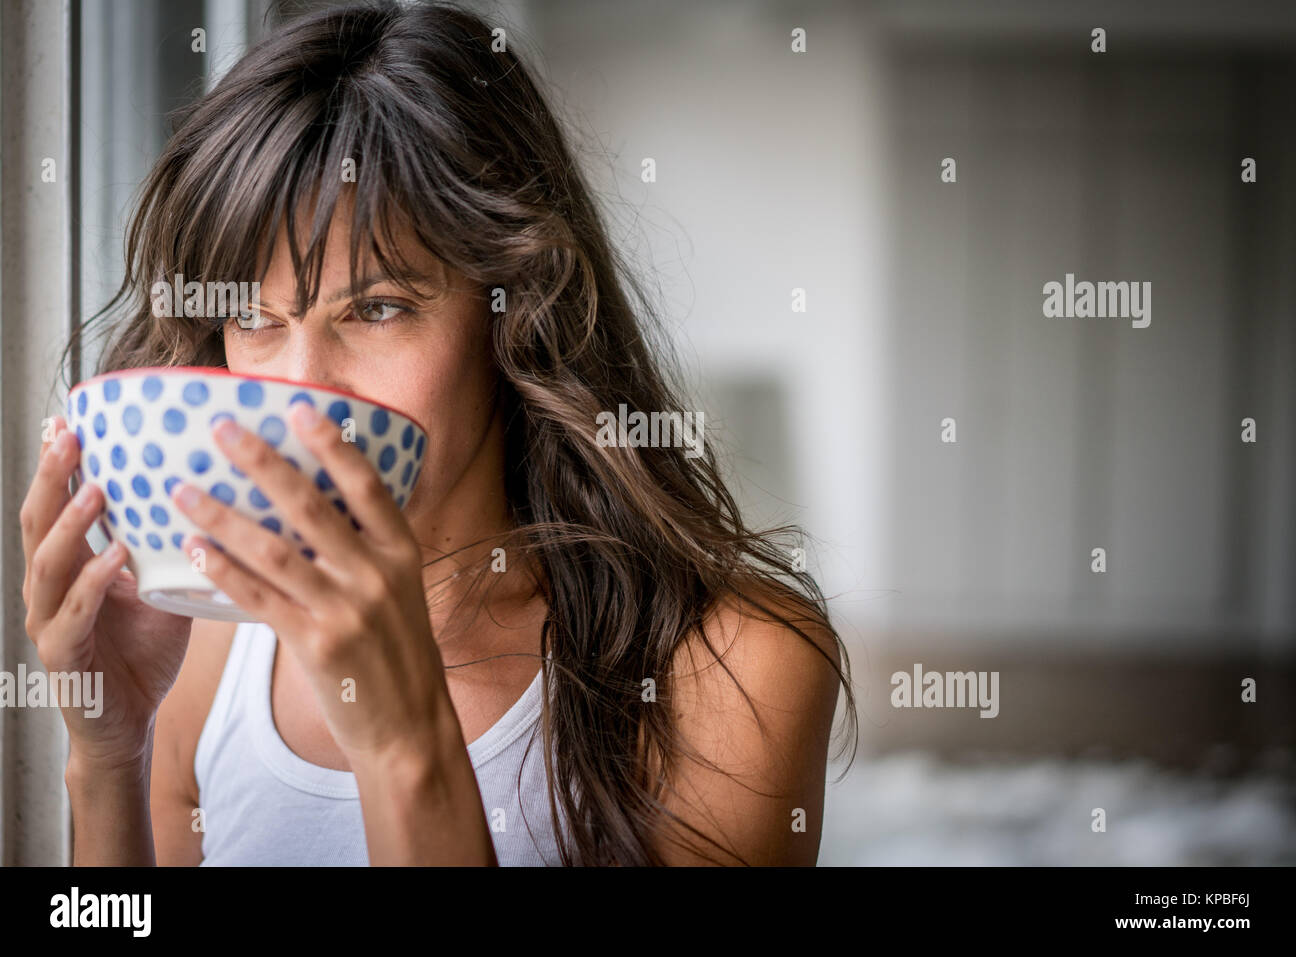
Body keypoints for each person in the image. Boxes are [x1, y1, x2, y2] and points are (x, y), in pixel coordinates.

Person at [21, 0, 857, 866]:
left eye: (378, 308)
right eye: (254, 318)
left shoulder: (736, 669)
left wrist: (405, 745)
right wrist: (108, 759)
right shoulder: (210, 648)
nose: (301, 396)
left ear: (517, 317)